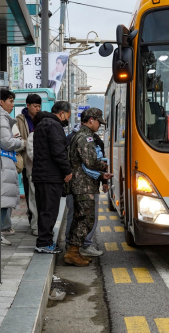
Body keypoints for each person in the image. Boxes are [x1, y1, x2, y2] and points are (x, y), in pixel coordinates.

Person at [64, 108, 113, 266]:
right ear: (91, 120)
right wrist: (103, 165)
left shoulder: (80, 135)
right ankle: (73, 252)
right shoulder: (86, 137)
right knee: (87, 219)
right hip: (83, 186)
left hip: (80, 184)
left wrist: (100, 176)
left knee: (79, 219)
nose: (99, 125)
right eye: (99, 122)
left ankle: (74, 251)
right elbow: (90, 161)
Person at [32, 101, 73, 253]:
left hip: (41, 175)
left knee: (44, 209)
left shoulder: (42, 124)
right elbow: (58, 152)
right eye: (68, 116)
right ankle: (44, 243)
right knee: (49, 210)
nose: (67, 119)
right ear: (62, 113)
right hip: (50, 176)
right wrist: (67, 171)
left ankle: (43, 241)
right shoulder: (54, 126)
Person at [0, 88, 23, 246]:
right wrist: (22, 142)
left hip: (5, 164)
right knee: (1, 199)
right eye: (10, 101)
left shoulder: (3, 117)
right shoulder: (1, 118)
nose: (12, 105)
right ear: (1, 102)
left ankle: (0, 231)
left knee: (3, 199)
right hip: (3, 164)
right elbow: (7, 142)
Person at [16, 93, 42, 236]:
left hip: (38, 165)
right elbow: (16, 141)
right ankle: (33, 220)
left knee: (37, 195)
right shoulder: (19, 120)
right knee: (29, 194)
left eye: (39, 106)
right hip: (27, 163)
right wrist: (28, 143)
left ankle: (36, 222)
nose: (37, 108)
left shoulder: (42, 118)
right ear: (28, 105)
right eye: (35, 106)